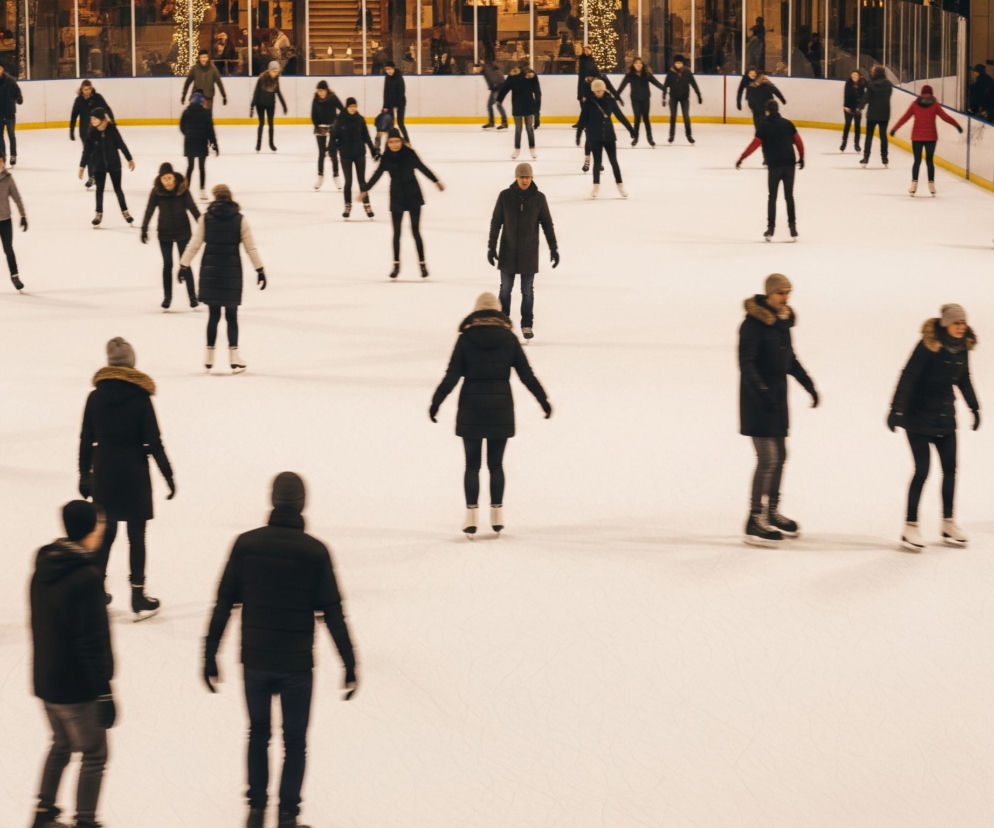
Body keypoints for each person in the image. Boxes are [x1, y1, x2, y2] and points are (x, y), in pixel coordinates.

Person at [203, 472, 358, 828]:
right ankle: (288, 817)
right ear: (302, 503)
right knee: (294, 743)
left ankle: (255, 811)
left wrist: (209, 653)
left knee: (257, 733)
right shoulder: (315, 551)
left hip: (255, 661)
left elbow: (224, 602)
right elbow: (333, 612)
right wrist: (350, 663)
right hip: (296, 666)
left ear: (272, 500)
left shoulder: (245, 544)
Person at [429, 292, 552, 535]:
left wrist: (436, 402)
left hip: (471, 408)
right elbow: (527, 375)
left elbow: (451, 375)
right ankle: (497, 514)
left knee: (472, 465)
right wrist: (543, 401)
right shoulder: (509, 339)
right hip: (501, 409)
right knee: (496, 465)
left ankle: (471, 515)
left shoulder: (466, 339)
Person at [28, 500, 115, 828]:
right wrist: (104, 693)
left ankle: (43, 811)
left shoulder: (45, 567)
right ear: (89, 530)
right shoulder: (86, 578)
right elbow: (90, 643)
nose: (102, 532)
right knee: (95, 755)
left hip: (46, 682)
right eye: (100, 526)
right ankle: (85, 821)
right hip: (76, 689)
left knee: (62, 744)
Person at [79, 337, 175, 616]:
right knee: (136, 536)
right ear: (131, 362)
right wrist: (168, 475)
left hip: (105, 470)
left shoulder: (95, 397)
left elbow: (86, 439)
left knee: (105, 535)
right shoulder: (140, 397)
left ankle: (97, 593)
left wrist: (84, 474)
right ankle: (137, 596)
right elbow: (155, 441)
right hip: (134, 471)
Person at [888, 305, 979, 552]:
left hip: (945, 419)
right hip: (917, 419)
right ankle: (910, 526)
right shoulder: (928, 346)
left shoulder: (962, 349)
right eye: (956, 322)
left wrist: (974, 407)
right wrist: (896, 410)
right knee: (922, 470)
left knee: (950, 470)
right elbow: (908, 376)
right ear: (945, 324)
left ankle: (948, 523)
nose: (961, 326)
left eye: (963, 322)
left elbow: (963, 378)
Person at [737, 274, 818, 546]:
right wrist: (761, 391)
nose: (785, 298)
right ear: (769, 294)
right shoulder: (752, 325)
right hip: (757, 401)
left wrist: (809, 384)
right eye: (780, 293)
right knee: (767, 459)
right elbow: (745, 364)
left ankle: (771, 512)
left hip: (778, 400)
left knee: (781, 456)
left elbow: (789, 360)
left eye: (788, 293)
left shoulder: (781, 324)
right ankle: (754, 518)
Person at [179, 184, 267, 373]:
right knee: (231, 316)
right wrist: (259, 269)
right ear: (230, 197)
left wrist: (183, 264)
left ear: (214, 197)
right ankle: (234, 356)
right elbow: (250, 247)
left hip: (210, 272)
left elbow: (194, 244)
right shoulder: (239, 219)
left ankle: (209, 357)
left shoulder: (206, 218)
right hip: (231, 272)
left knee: (213, 315)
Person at [487, 162, 559, 340]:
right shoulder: (505, 196)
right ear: (516, 178)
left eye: (527, 177)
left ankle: (527, 324)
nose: (524, 180)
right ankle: (503, 322)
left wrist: (553, 247)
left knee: (527, 291)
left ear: (532, 178)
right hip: (508, 251)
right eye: (521, 177)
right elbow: (496, 222)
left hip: (529, 252)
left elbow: (547, 224)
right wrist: (491, 246)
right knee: (505, 289)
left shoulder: (539, 199)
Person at [362, 128, 444, 279]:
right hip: (397, 197)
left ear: (401, 141)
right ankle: (396, 265)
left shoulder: (409, 153)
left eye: (397, 141)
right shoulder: (386, 157)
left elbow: (422, 167)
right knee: (397, 233)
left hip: (413, 195)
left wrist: (435, 180)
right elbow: (377, 174)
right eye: (391, 142)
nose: (394, 144)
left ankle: (422, 264)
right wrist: (365, 189)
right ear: (388, 143)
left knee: (415, 231)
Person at [736, 100, 804, 240]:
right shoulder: (787, 123)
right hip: (789, 164)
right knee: (789, 196)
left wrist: (742, 158)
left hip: (774, 166)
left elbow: (754, 145)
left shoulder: (763, 126)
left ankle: (770, 229)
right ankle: (793, 228)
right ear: (777, 110)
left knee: (772, 197)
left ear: (767, 111)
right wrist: (802, 157)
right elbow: (798, 141)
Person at [140, 162, 201, 310]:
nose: (167, 181)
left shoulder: (183, 190)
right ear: (160, 179)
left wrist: (204, 225)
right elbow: (149, 210)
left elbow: (193, 209)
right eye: (164, 178)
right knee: (168, 265)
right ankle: (167, 297)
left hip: (183, 232)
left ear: (174, 177)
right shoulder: (156, 192)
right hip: (165, 232)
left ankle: (192, 297)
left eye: (169, 177)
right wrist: (144, 228)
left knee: (185, 264)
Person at [890, 84, 963, 196]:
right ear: (931, 93)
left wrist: (894, 129)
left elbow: (904, 118)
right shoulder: (934, 105)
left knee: (917, 161)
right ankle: (932, 186)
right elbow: (945, 117)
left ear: (921, 93)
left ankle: (913, 186)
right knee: (929, 161)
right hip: (931, 137)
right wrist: (957, 125)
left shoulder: (915, 104)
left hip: (917, 137)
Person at [78, 108, 135, 227]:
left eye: (94, 118)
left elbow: (121, 144)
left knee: (118, 189)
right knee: (99, 190)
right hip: (98, 165)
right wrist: (82, 166)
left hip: (114, 164)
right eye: (91, 118)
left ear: (102, 119)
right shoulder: (92, 132)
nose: (92, 121)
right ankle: (98, 214)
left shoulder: (112, 130)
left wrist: (129, 158)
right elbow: (87, 150)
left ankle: (125, 212)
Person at [579, 78, 634, 198]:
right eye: (596, 90)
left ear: (604, 89)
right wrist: (578, 135)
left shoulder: (610, 100)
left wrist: (631, 129)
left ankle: (620, 186)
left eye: (600, 90)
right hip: (595, 136)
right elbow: (582, 119)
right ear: (593, 91)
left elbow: (620, 116)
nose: (598, 92)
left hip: (609, 136)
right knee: (597, 163)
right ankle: (595, 187)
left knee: (614, 161)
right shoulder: (589, 102)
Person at [332, 96, 378, 219]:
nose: (353, 108)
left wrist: (373, 151)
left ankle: (367, 204)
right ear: (346, 107)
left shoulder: (360, 119)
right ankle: (347, 205)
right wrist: (337, 148)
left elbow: (367, 137)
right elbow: (333, 137)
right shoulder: (340, 120)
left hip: (359, 154)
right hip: (345, 155)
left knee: (362, 181)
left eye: (355, 106)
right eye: (351, 106)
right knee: (348, 182)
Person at [70, 81, 115, 189]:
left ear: (91, 88)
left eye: (89, 89)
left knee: (97, 152)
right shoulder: (78, 100)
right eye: (85, 89)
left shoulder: (97, 98)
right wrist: (71, 130)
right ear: (81, 89)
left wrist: (111, 119)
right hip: (84, 132)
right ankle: (92, 176)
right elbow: (74, 116)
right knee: (89, 153)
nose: (87, 91)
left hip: (97, 130)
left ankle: (98, 173)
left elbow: (106, 108)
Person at [616, 57, 665, 146]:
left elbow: (656, 83)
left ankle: (650, 139)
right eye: (636, 63)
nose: (638, 65)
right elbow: (622, 86)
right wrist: (616, 96)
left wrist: (665, 89)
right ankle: (635, 138)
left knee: (646, 118)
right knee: (637, 118)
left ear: (642, 65)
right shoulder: (629, 75)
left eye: (640, 63)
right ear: (633, 65)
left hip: (645, 99)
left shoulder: (647, 74)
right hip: (635, 99)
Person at [497, 66, 542, 160]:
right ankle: (517, 149)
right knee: (518, 129)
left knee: (529, 129)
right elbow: (505, 88)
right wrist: (499, 99)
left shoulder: (530, 76)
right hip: (517, 106)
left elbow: (537, 91)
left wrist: (537, 107)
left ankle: (532, 148)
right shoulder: (513, 76)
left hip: (528, 106)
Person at [180, 91, 218, 199]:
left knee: (190, 167)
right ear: (201, 101)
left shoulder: (186, 112)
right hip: (201, 143)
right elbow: (211, 131)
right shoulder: (206, 113)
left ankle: (185, 190)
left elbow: (181, 126)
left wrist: (188, 134)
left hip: (189, 142)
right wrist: (214, 144)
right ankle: (202, 190)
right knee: (201, 167)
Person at [311, 80, 344, 190]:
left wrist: (337, 122)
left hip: (332, 128)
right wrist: (316, 125)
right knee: (321, 153)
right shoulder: (316, 99)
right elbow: (313, 114)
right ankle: (320, 176)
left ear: (326, 90)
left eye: (322, 90)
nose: (320, 93)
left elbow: (343, 110)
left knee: (333, 153)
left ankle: (336, 176)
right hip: (320, 128)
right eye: (318, 90)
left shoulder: (332, 98)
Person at [661, 55, 702, 144]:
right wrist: (663, 97)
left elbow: (694, 84)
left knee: (686, 116)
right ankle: (671, 135)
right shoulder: (671, 72)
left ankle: (689, 135)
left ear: (683, 63)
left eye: (680, 63)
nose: (678, 64)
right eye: (677, 63)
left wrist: (698, 95)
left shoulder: (687, 72)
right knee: (673, 116)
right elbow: (665, 85)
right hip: (673, 98)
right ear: (674, 63)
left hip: (684, 98)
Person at [0, 156, 26, 292]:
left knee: (8, 249)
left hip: (5, 221)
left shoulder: (8, 179)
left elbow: (17, 198)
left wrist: (23, 215)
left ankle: (15, 276)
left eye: (1, 161)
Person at [251, 61, 288, 152]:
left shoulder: (276, 79)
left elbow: (278, 92)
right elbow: (256, 93)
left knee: (271, 124)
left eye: (277, 71)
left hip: (271, 104)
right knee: (262, 123)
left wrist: (284, 105)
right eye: (274, 71)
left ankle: (271, 144)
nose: (276, 73)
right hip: (260, 104)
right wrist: (252, 107)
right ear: (269, 70)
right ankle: (258, 144)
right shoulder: (262, 78)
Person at [860, 64, 892, 167]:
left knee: (869, 136)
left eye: (872, 71)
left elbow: (866, 98)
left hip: (872, 114)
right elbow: (888, 95)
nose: (871, 72)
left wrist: (860, 107)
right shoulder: (888, 84)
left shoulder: (871, 85)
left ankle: (866, 158)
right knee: (883, 136)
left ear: (876, 73)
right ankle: (885, 158)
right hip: (884, 114)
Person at [0, 63, 22, 164]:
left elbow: (17, 91)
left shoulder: (10, 80)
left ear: (2, 69)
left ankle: (13, 155)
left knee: (11, 135)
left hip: (9, 113)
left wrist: (19, 98)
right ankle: (2, 156)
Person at [382, 61, 409, 143]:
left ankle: (407, 140)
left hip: (400, 103)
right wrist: (385, 106)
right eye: (387, 69)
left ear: (393, 68)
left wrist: (397, 105)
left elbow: (402, 91)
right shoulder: (387, 77)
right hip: (390, 103)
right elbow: (385, 92)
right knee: (390, 124)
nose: (388, 71)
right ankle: (391, 140)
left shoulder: (399, 77)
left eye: (390, 69)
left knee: (400, 123)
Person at [840, 69, 866, 152]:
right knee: (847, 125)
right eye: (853, 75)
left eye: (856, 75)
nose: (854, 77)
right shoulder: (848, 83)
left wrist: (860, 107)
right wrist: (845, 106)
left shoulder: (862, 84)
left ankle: (857, 144)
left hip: (857, 108)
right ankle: (844, 142)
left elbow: (863, 97)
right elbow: (846, 95)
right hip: (848, 108)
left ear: (859, 76)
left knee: (857, 127)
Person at [481, 61, 508, 129]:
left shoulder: (488, 70)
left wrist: (496, 88)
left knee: (498, 104)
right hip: (496, 89)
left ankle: (504, 123)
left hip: (498, 88)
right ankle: (492, 122)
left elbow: (496, 79)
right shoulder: (488, 70)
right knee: (490, 105)